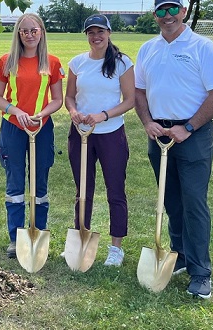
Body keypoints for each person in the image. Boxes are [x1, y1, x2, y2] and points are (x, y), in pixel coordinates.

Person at [134, 0, 213, 299]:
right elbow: (138, 92)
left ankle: (201, 273)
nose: (167, 16)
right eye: (161, 11)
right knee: (171, 200)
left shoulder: (203, 47)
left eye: (172, 9)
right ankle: (180, 255)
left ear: (184, 10)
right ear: (155, 16)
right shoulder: (147, 49)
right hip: (158, 135)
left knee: (193, 203)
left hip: (192, 136)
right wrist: (148, 122)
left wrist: (188, 127)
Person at [0, 13, 65, 259]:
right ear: (18, 34)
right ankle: (15, 238)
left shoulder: (52, 63)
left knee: (39, 181)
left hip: (41, 127)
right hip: (13, 127)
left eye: (34, 30)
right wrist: (16, 111)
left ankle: (38, 231)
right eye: (24, 31)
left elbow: (58, 100)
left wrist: (40, 114)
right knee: (15, 183)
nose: (29, 35)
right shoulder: (7, 60)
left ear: (41, 32)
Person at [64, 14, 135, 267]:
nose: (96, 37)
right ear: (86, 36)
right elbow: (69, 97)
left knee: (115, 191)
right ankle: (81, 237)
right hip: (81, 135)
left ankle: (116, 248)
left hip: (111, 135)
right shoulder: (77, 63)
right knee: (83, 190)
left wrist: (103, 115)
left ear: (109, 33)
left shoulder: (122, 63)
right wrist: (73, 113)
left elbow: (129, 100)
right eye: (91, 32)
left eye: (101, 32)